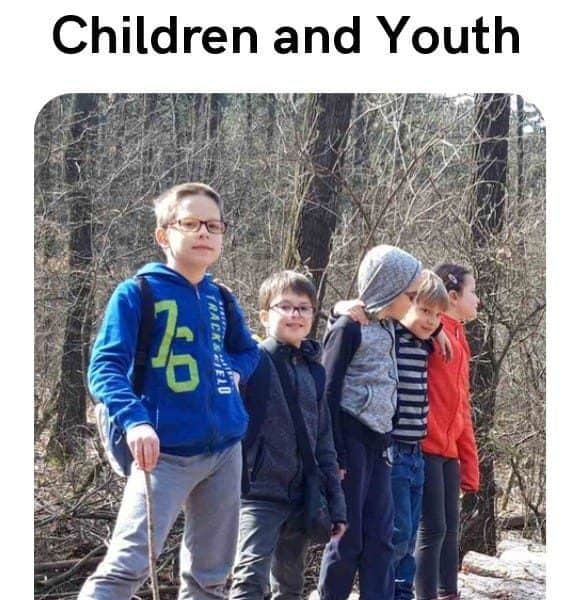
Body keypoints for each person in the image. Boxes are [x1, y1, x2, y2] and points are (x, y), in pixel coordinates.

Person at [78, 182, 260, 600]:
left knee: (210, 578)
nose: (204, 233)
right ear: (164, 235)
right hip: (163, 453)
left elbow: (248, 351)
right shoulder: (136, 293)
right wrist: (136, 421)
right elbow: (104, 368)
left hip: (225, 450)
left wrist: (233, 371)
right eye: (190, 223)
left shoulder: (221, 297)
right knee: (125, 568)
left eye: (213, 226)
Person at [331, 269, 451, 600]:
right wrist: (338, 308)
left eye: (436, 315)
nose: (429, 320)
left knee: (409, 532)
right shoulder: (391, 332)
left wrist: (439, 328)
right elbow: (355, 315)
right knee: (394, 532)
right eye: (422, 309)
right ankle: (392, 590)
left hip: (416, 449)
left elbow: (432, 317)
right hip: (390, 446)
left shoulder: (425, 341)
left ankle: (402, 592)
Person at [229, 270, 347, 600]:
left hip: (301, 495)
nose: (295, 314)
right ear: (264, 316)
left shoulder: (314, 370)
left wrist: (336, 506)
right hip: (256, 492)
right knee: (249, 578)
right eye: (285, 306)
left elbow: (324, 443)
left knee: (290, 586)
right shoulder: (253, 363)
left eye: (304, 308)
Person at [317, 245, 423, 600]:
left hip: (381, 443)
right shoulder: (349, 328)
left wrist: (438, 330)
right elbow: (328, 391)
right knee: (347, 537)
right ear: (389, 288)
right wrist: (335, 454)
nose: (414, 303)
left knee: (381, 538)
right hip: (349, 440)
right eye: (410, 295)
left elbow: (431, 318)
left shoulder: (391, 325)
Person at [414, 263, 481, 600]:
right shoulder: (427, 331)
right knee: (432, 529)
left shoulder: (460, 338)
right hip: (424, 445)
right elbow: (402, 308)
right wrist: (437, 326)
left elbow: (462, 406)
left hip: (449, 451)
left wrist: (469, 461)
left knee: (450, 529)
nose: (478, 300)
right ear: (452, 296)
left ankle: (448, 593)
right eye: (473, 292)